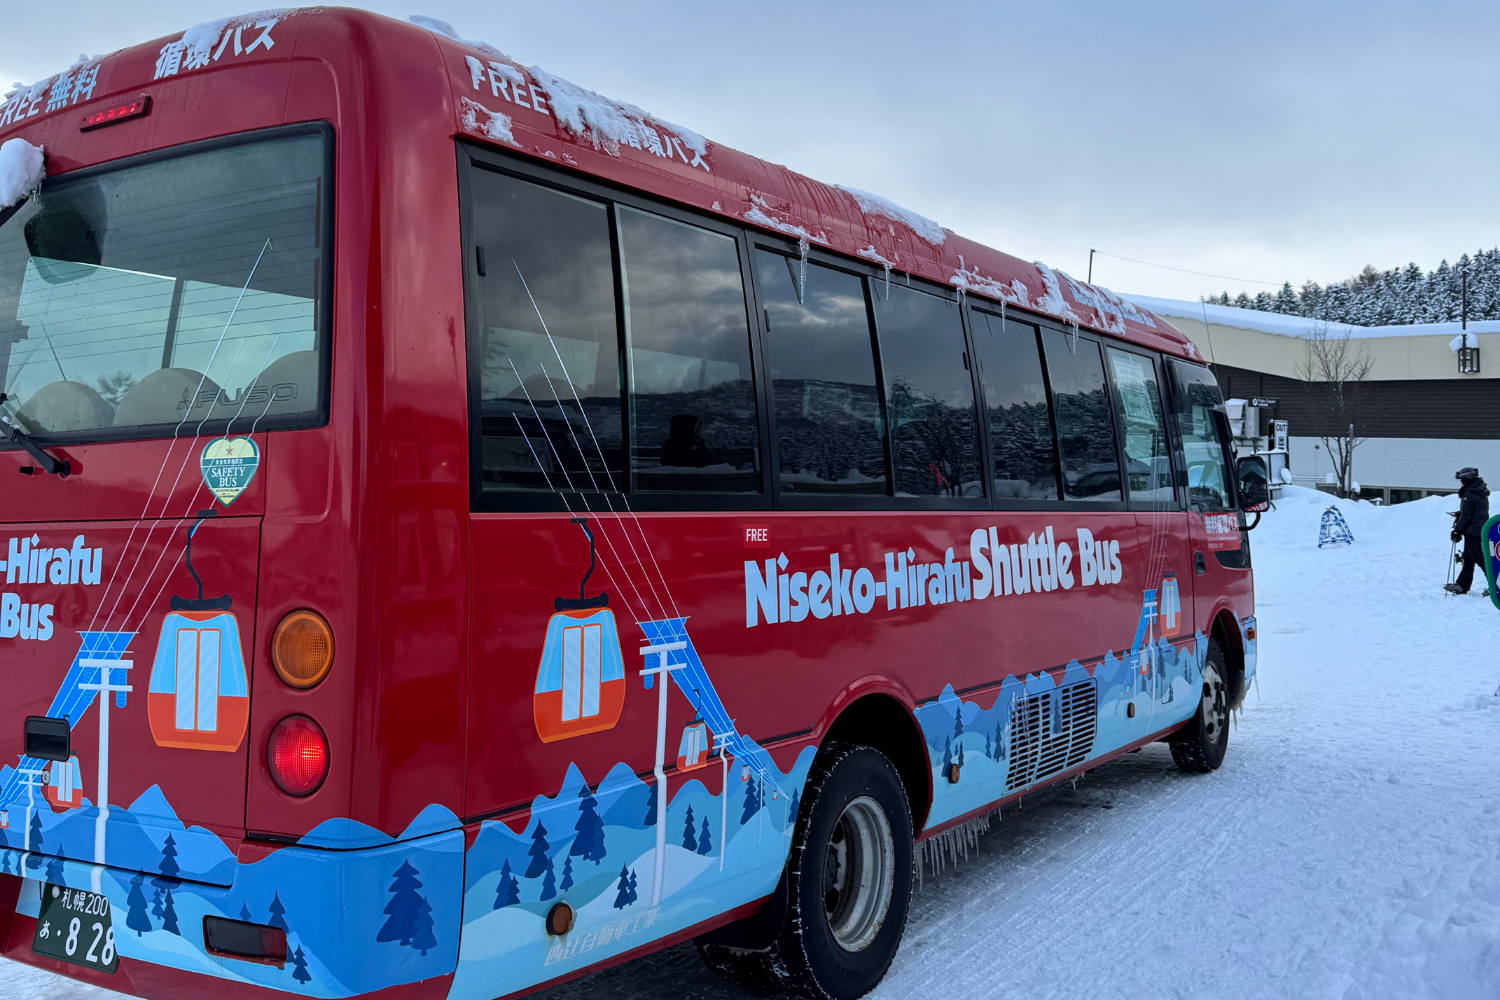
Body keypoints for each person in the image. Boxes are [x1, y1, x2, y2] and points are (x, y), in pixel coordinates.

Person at [1445, 466, 1490, 594]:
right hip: (1477, 529)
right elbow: (1474, 512)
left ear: (1466, 480)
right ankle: (1462, 585)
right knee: (1468, 559)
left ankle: (1496, 584)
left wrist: (1457, 530)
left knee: (1481, 559)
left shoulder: (1470, 494)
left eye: (1461, 479)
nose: (1460, 482)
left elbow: (1466, 516)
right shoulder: (1479, 491)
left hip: (1473, 531)